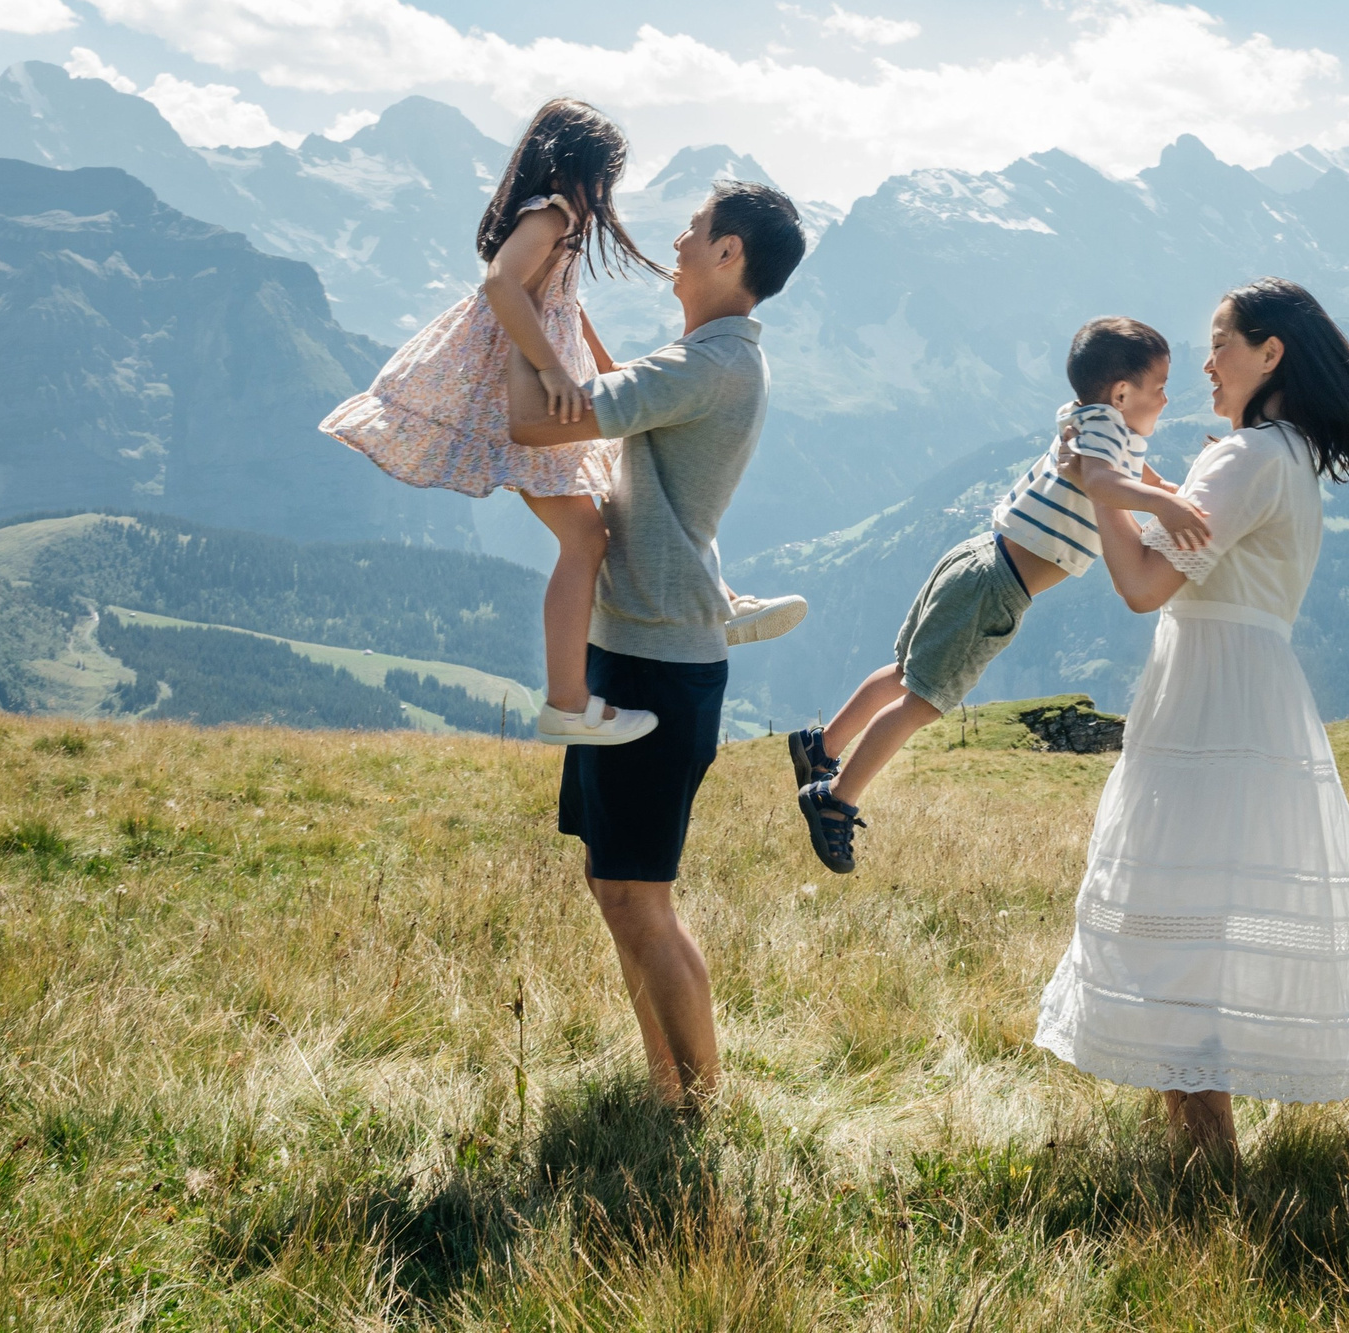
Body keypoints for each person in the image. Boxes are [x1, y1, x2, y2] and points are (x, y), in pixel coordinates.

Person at [1032, 278, 1349, 1164]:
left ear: (1270, 354)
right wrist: (1140, 481)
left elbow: (1143, 586)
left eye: (1221, 342)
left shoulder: (1243, 456)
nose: (1205, 362)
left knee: (1179, 920)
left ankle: (1207, 1166)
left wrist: (1096, 483)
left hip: (1205, 694)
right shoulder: (1287, 454)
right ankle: (1207, 1155)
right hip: (1255, 692)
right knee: (1203, 917)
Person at [321, 99, 799, 746]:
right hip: (516, 380)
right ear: (577, 165)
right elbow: (501, 284)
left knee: (610, 511)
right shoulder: (552, 214)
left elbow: (564, 310)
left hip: (529, 369)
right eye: (605, 177)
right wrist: (549, 370)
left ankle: (712, 601)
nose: (607, 194)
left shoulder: (559, 222)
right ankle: (569, 701)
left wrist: (605, 370)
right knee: (588, 539)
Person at [507, 177, 806, 1103]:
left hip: (655, 666)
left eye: (696, 227)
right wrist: (556, 322)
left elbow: (531, 419)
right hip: (642, 647)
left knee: (641, 895)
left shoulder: (708, 367)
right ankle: (669, 1089)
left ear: (730, 255)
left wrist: (506, 319)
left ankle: (698, 1102)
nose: (677, 236)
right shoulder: (707, 357)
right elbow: (610, 386)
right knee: (619, 887)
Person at [786, 317, 1210, 874]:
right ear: (1122, 393)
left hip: (977, 558)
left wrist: (1167, 489)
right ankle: (835, 799)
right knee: (924, 700)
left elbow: (1130, 471)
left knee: (904, 671)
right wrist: (1167, 508)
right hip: (995, 587)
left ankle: (821, 747)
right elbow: (1106, 484)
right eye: (1160, 386)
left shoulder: (1091, 420)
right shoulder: (1106, 432)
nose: (1166, 398)